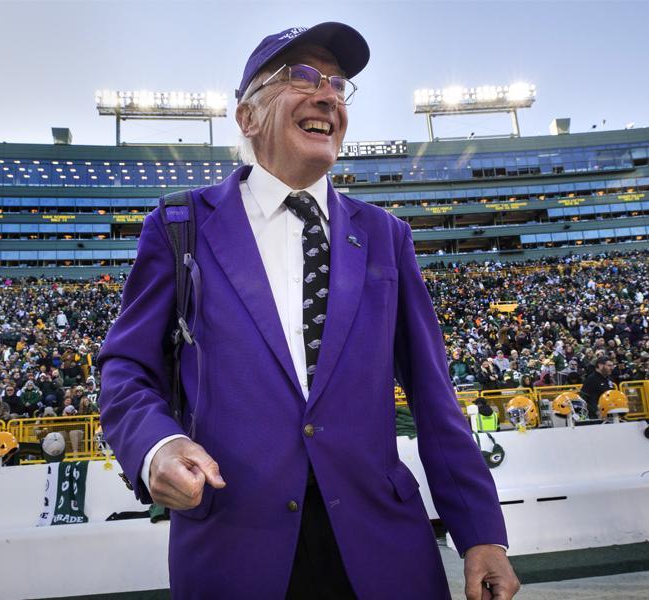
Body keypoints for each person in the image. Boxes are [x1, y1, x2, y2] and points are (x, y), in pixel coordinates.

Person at [98, 22, 518, 600]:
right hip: (235, 548)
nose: (327, 94)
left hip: (383, 554)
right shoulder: (180, 226)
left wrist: (480, 535)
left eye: (338, 85)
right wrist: (156, 446)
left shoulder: (385, 236)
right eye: (302, 77)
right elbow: (125, 368)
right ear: (247, 117)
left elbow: (433, 395)